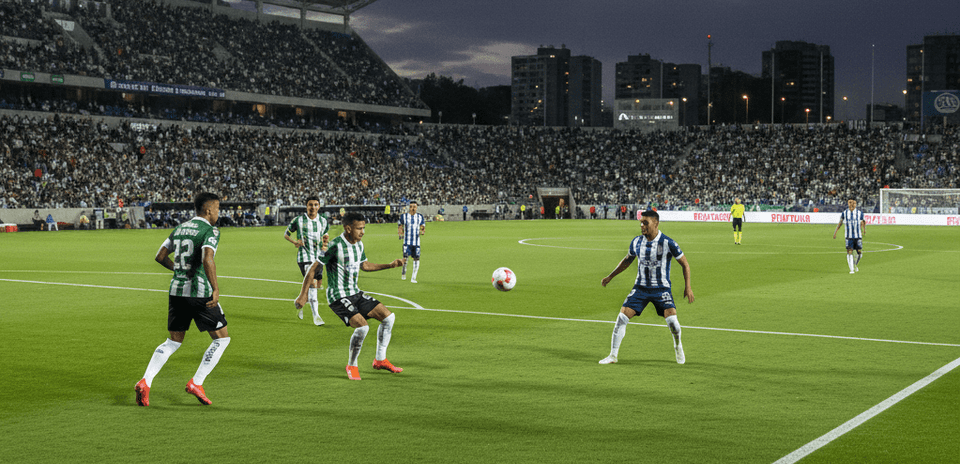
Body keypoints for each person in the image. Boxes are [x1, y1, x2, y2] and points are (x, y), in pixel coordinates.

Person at [135, 192, 230, 406]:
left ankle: (145, 381)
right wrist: (215, 289)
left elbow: (160, 256)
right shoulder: (210, 230)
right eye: (217, 209)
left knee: (173, 341)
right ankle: (197, 382)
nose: (218, 213)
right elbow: (208, 258)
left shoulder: (179, 229)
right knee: (222, 338)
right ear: (208, 210)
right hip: (199, 292)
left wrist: (178, 269)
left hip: (176, 291)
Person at [295, 212, 405, 380]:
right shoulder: (335, 246)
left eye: (364, 228)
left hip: (355, 293)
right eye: (359, 228)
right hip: (337, 296)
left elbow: (365, 266)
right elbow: (313, 268)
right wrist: (303, 296)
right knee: (362, 327)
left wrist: (389, 265)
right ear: (348, 228)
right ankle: (352, 365)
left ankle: (380, 360)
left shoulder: (359, 245)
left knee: (389, 318)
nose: (363, 232)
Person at [599, 210, 694, 365]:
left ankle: (678, 346)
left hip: (661, 289)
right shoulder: (637, 242)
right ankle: (613, 355)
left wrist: (688, 287)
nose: (642, 226)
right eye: (641, 223)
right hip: (640, 288)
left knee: (673, 322)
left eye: (645, 223)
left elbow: (685, 263)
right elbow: (627, 261)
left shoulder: (668, 243)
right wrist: (610, 276)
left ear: (655, 223)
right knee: (622, 318)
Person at [284, 196, 330, 326]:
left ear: (319, 206)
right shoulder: (298, 220)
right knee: (313, 285)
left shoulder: (323, 221)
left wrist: (324, 244)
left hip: (318, 257)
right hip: (304, 257)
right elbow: (286, 233)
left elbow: (325, 235)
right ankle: (316, 316)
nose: (313, 207)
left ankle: (300, 301)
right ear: (306, 206)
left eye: (316, 205)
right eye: (310, 205)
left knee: (318, 284)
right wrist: (295, 242)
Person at [833, 199, 865, 274]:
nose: (852, 204)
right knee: (849, 251)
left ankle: (855, 264)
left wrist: (863, 230)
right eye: (850, 203)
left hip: (858, 236)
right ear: (848, 204)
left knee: (859, 252)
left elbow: (863, 222)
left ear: (856, 204)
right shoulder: (844, 213)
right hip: (848, 236)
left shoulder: (859, 213)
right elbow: (840, 222)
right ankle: (851, 269)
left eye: (853, 203)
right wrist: (835, 232)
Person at [398, 201, 426, 283]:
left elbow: (423, 227)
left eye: (414, 206)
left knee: (416, 258)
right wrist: (400, 233)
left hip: (416, 242)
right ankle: (404, 271)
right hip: (407, 242)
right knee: (405, 258)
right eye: (411, 206)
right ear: (409, 207)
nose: (413, 208)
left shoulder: (420, 217)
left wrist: (422, 231)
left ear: (416, 208)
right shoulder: (404, 216)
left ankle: (413, 278)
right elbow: (400, 226)